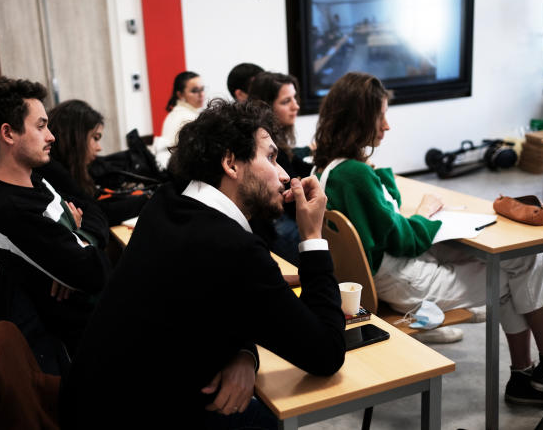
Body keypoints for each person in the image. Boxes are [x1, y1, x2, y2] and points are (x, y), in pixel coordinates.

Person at [60, 99, 346, 429]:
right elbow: (326, 353)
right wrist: (312, 236)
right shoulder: (234, 250)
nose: (284, 176)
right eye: (270, 157)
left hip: (90, 404)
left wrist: (244, 354)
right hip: (137, 415)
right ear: (231, 163)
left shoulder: (167, 203)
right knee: (268, 421)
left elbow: (215, 304)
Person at [313, 71, 543, 406]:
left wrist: (374, 169)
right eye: (381, 115)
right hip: (405, 280)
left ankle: (526, 376)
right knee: (524, 262)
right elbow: (405, 239)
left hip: (382, 279)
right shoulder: (356, 176)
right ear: (361, 119)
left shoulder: (329, 170)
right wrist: (424, 213)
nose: (388, 125)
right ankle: (537, 372)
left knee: (518, 263)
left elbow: (386, 210)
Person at [0, 77, 112, 374]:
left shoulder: (35, 178)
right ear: (8, 133)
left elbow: (91, 206)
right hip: (83, 347)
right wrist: (77, 241)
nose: (52, 137)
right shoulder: (9, 210)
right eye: (41, 126)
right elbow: (95, 272)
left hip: (94, 320)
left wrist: (75, 239)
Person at [36, 99, 149, 225]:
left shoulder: (63, 166)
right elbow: (99, 213)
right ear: (75, 137)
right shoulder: (53, 170)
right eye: (95, 138)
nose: (99, 148)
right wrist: (148, 199)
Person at [248, 72, 313, 266]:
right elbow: (292, 193)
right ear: (267, 106)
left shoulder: (279, 146)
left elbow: (294, 163)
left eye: (295, 98)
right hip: (274, 226)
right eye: (286, 101)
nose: (296, 106)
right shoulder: (265, 145)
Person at [152, 71, 205, 168]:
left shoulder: (174, 113)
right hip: (180, 173)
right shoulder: (187, 117)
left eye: (202, 89)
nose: (201, 94)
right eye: (194, 91)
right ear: (180, 95)